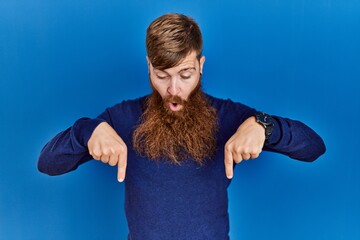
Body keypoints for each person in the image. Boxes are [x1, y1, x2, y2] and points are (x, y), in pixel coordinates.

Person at [38, 13, 326, 240]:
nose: (173, 90)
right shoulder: (121, 118)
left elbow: (314, 147)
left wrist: (265, 125)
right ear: (149, 67)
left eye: (185, 74)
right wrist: (86, 131)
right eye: (162, 75)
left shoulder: (229, 116)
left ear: (201, 65)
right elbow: (48, 164)